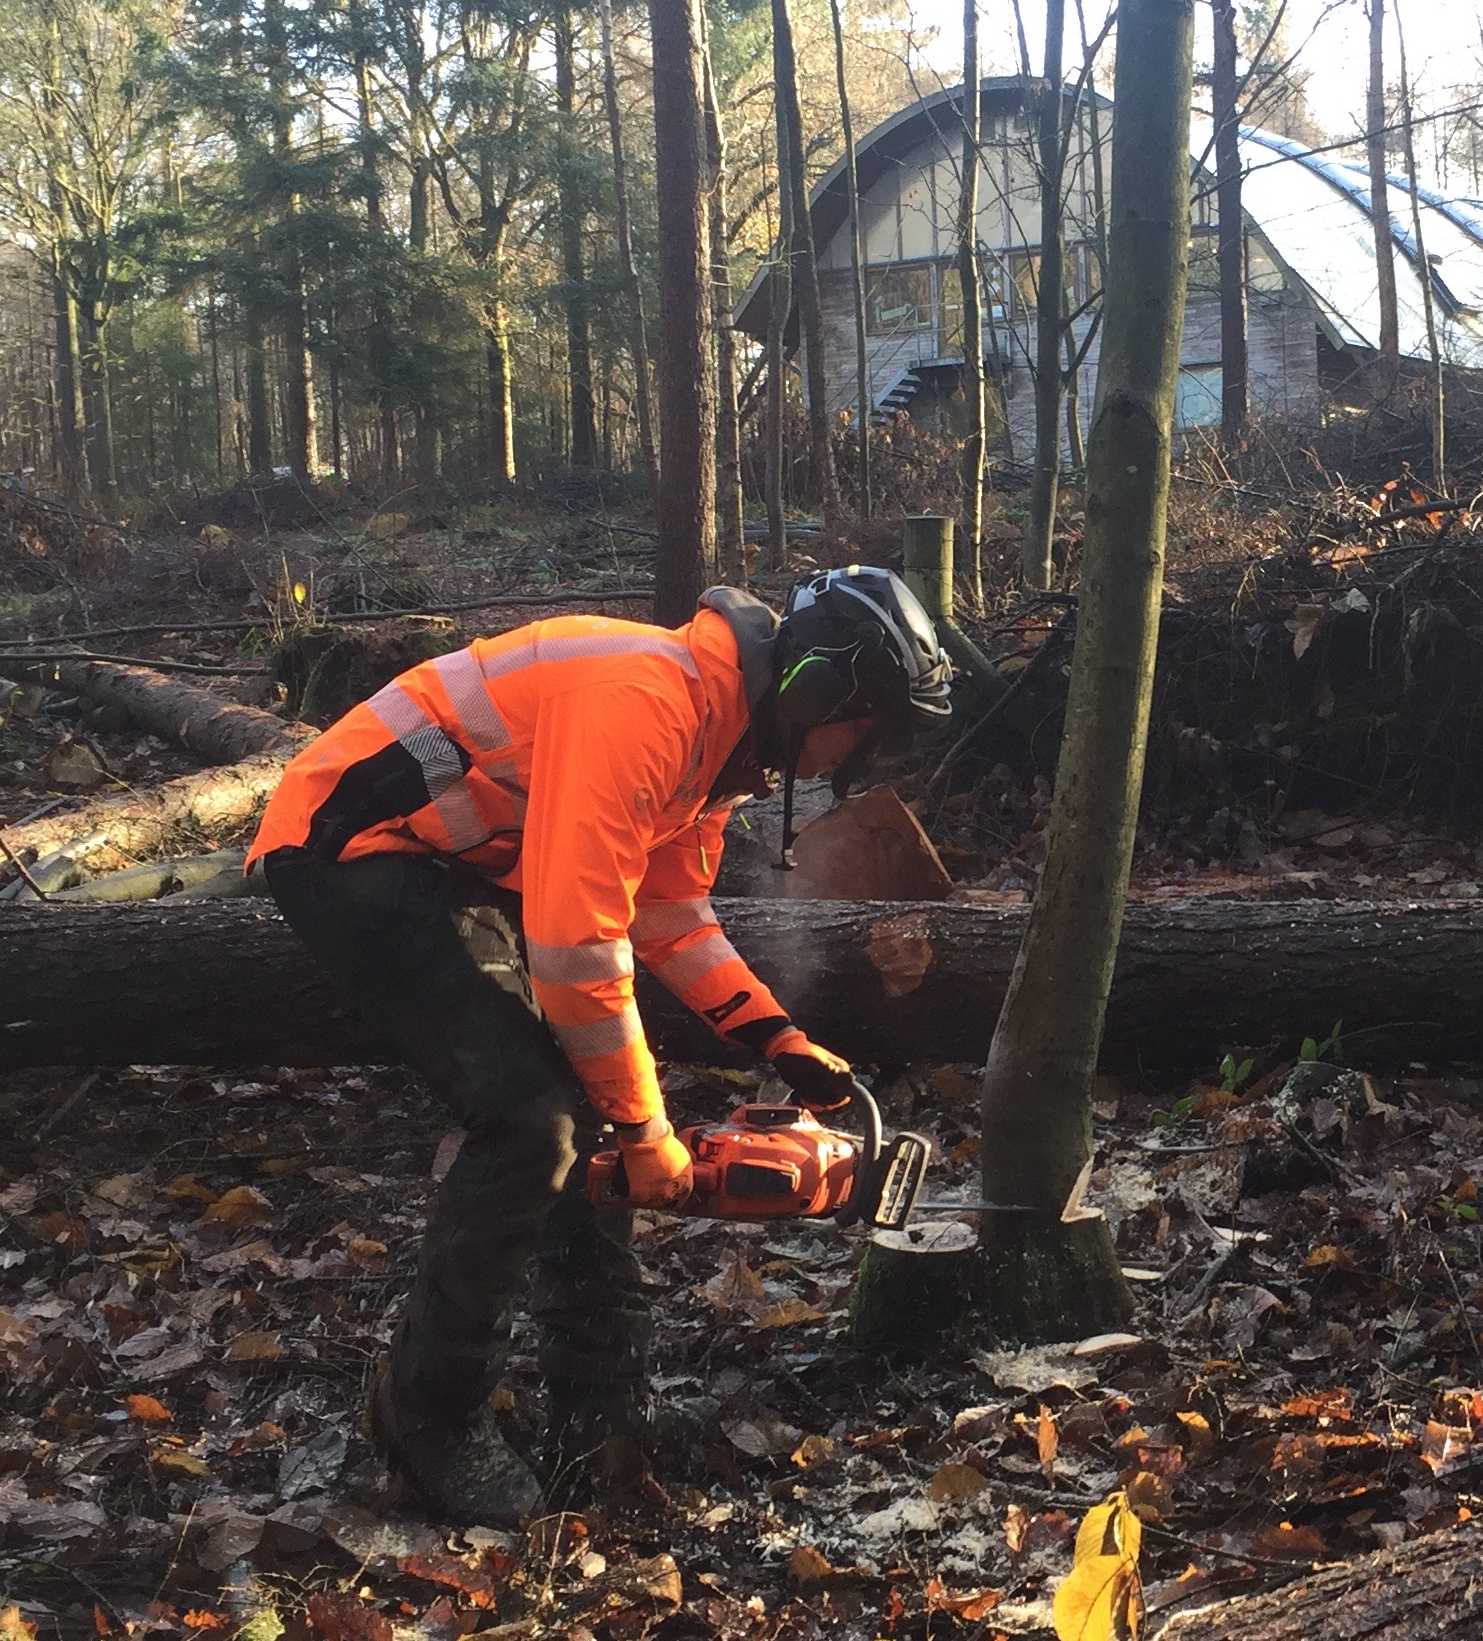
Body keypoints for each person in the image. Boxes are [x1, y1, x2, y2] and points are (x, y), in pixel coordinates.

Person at [248, 569, 955, 1525]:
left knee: (578, 1115)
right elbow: (578, 946)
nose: (859, 761)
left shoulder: (715, 742)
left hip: (460, 860)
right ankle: (431, 1413)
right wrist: (646, 1129)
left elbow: (668, 915)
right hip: (352, 846)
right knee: (531, 1123)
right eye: (865, 733)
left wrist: (778, 1041)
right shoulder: (646, 706)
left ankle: (602, 1412)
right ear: (819, 691)